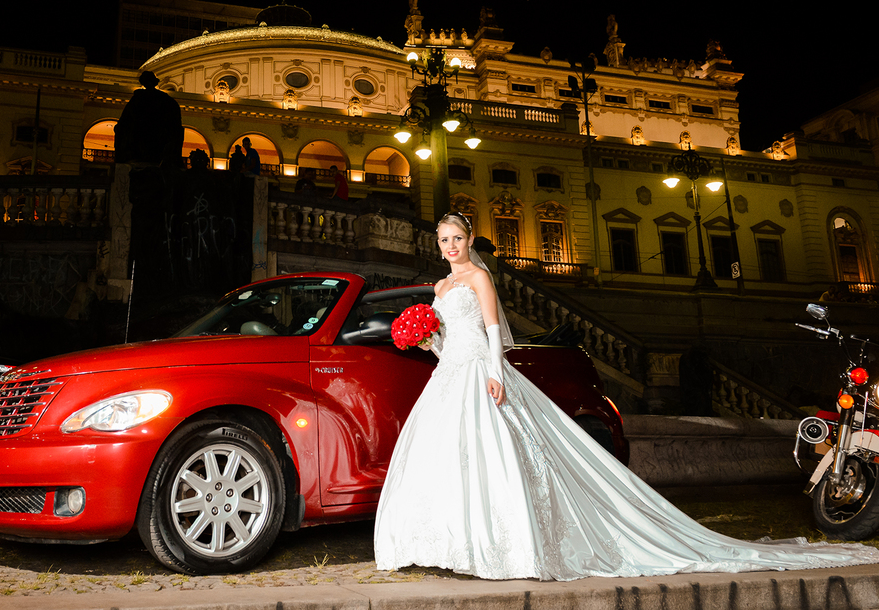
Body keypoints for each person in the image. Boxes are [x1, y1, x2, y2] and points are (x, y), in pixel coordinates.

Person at [373, 212, 879, 581]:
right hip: (449, 374)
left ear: (468, 240)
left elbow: (491, 331)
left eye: (458, 238)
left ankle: (501, 545)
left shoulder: (480, 277)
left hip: (481, 372)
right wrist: (426, 339)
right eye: (444, 240)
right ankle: (448, 544)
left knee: (494, 455)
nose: (451, 246)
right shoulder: (440, 289)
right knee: (448, 458)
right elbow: (447, 344)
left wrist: (495, 372)